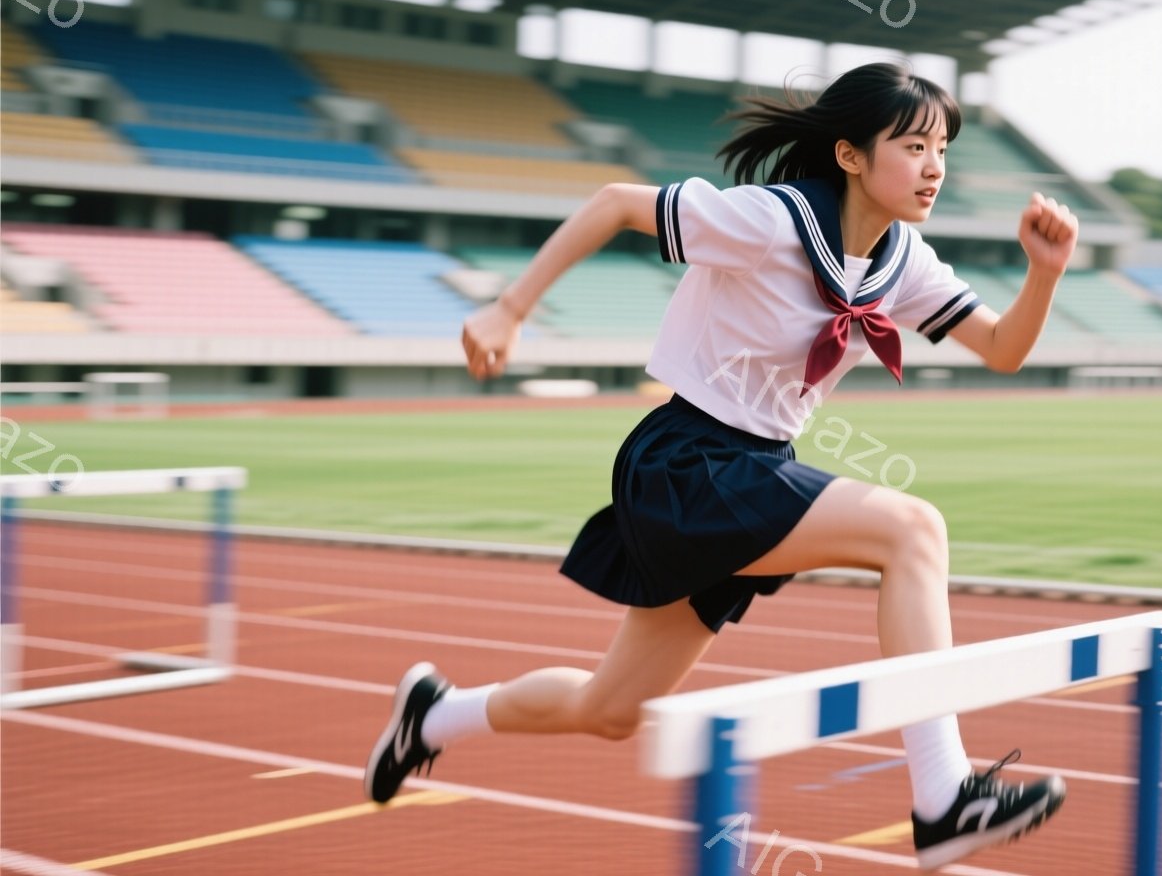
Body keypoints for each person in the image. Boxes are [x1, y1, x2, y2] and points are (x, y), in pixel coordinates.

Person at [365, 61, 1079, 871]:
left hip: (755, 467)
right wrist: (508, 307)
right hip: (687, 460)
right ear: (850, 155)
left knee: (610, 708)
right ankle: (943, 795)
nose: (934, 167)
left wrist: (1044, 275)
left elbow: (1004, 349)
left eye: (942, 148)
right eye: (913, 146)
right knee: (913, 530)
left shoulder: (903, 259)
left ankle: (434, 715)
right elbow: (613, 204)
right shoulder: (768, 220)